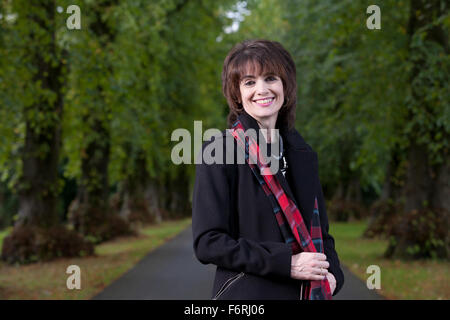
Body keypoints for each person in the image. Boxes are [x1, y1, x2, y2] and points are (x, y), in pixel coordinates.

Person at [192, 39, 344, 300]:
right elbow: (208, 242)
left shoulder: (302, 154)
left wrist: (334, 276)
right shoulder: (219, 150)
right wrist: (287, 263)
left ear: (285, 85)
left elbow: (322, 235)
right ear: (237, 93)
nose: (262, 90)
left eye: (270, 78)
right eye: (249, 82)